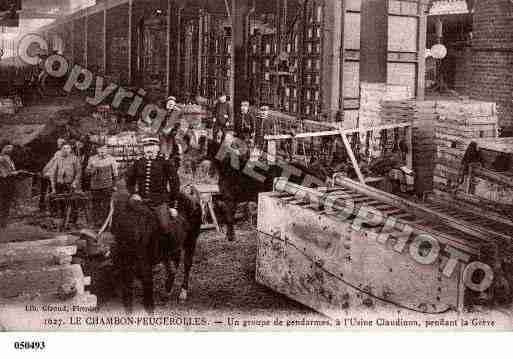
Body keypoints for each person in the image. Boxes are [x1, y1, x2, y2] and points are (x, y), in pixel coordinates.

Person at [126, 137, 180, 235]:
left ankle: (167, 249)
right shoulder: (138, 162)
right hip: (140, 201)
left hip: (159, 202)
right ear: (143, 149)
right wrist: (133, 193)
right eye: (146, 147)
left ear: (157, 148)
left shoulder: (165, 162)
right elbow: (129, 181)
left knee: (165, 227)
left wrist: (173, 206)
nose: (149, 149)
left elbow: (175, 183)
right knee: (126, 225)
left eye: (152, 146)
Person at [49, 143, 82, 225]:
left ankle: (72, 221)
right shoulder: (58, 159)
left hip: (70, 184)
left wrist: (75, 182)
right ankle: (62, 220)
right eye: (64, 148)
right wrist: (53, 187)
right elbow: (53, 173)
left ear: (70, 149)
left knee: (72, 203)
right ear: (61, 149)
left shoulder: (74, 159)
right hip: (60, 184)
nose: (66, 150)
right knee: (60, 203)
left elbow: (78, 172)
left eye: (68, 148)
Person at [86, 145, 119, 227]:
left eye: (104, 149)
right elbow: (86, 172)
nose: (102, 151)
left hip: (107, 186)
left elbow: (115, 174)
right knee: (95, 205)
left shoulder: (111, 159)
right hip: (95, 186)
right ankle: (97, 223)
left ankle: (106, 223)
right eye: (100, 149)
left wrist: (114, 185)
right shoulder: (92, 159)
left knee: (106, 205)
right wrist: (91, 170)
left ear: (107, 150)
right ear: (97, 150)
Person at [39, 138, 66, 212]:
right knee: (44, 188)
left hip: (57, 174)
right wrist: (44, 170)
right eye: (58, 143)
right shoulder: (57, 152)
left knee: (53, 190)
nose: (58, 144)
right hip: (51, 173)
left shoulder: (64, 153)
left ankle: (53, 208)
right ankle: (43, 206)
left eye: (59, 143)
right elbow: (51, 162)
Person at [160, 96, 183, 161]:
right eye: (169, 103)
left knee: (172, 142)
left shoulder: (176, 113)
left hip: (172, 132)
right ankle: (164, 155)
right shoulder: (163, 111)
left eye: (172, 104)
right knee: (163, 142)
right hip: (163, 131)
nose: (170, 105)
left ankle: (170, 155)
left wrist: (174, 130)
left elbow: (178, 123)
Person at [0, 143, 17, 228]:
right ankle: (2, 223)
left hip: (10, 182)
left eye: (11, 148)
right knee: (4, 202)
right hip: (4, 181)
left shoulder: (10, 159)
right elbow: (5, 173)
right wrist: (14, 173)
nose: (11, 150)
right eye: (9, 148)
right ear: (4, 148)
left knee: (7, 202)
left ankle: (4, 223)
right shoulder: (2, 158)